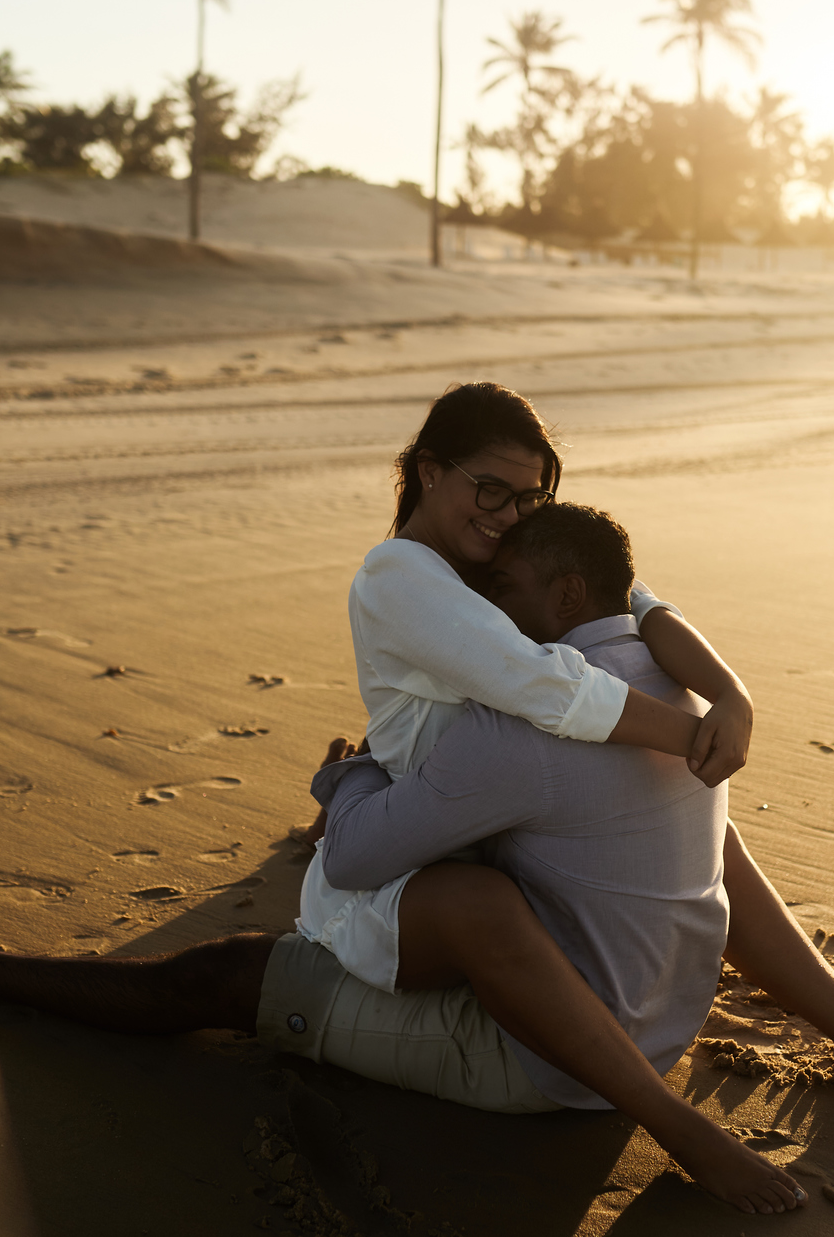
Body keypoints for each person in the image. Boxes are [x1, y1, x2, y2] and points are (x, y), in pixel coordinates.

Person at [0, 507, 834, 1220]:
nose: (486, 613)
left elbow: (360, 862)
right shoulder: (681, 691)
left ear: (566, 590)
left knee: (233, 973)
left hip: (556, 1068)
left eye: (502, 590)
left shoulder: (519, 729)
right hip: (667, 1012)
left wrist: (348, 784)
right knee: (697, 836)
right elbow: (647, 599)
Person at [296, 380, 754, 999]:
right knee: (669, 786)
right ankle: (344, 799)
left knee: (701, 823)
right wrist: (694, 738)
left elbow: (637, 600)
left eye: (529, 498)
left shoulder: (493, 548)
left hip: (507, 813)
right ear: (430, 472)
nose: (507, 515)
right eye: (490, 490)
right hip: (427, 840)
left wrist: (730, 694)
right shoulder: (396, 576)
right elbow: (540, 683)